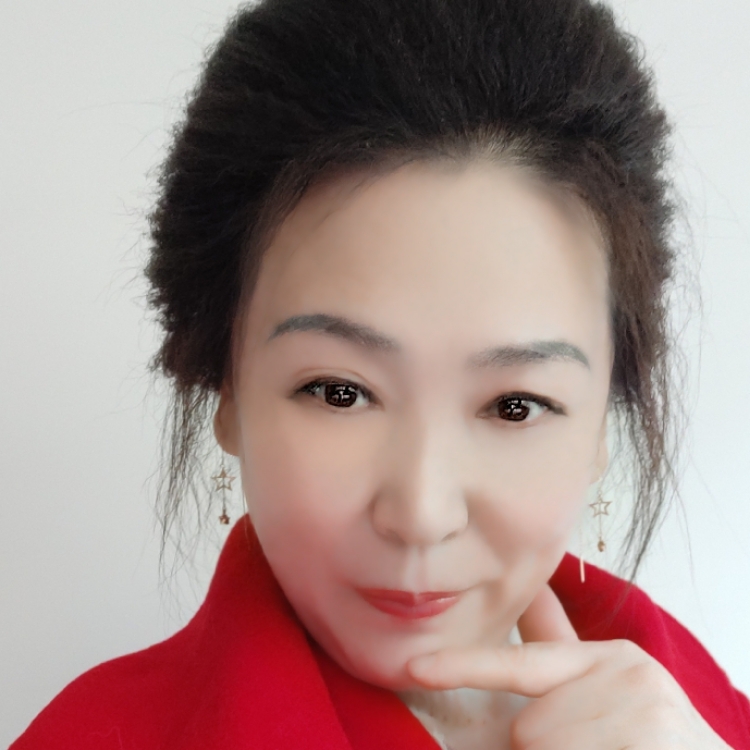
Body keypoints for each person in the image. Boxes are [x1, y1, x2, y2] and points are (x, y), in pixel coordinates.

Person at [11, 0, 750, 748]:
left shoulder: (704, 717)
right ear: (227, 386)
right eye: (341, 393)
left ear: (600, 424)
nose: (421, 513)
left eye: (515, 405)